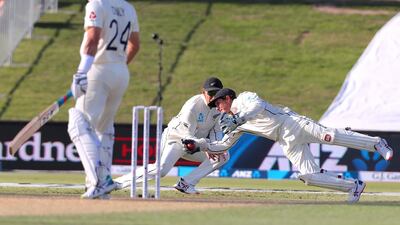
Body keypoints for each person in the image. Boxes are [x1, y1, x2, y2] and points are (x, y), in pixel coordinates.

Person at [183, 88, 394, 203]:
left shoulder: (245, 98)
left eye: (219, 103)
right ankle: (354, 186)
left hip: (292, 123)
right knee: (308, 176)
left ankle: (376, 143)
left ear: (228, 98)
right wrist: (200, 145)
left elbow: (257, 106)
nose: (218, 108)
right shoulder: (232, 123)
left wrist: (239, 118)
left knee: (329, 136)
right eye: (216, 106)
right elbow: (222, 145)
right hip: (285, 140)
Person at [67, 0, 140, 199]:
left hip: (98, 70)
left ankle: (99, 181)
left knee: (78, 124)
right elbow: (135, 45)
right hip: (121, 72)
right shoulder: (128, 8)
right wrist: (117, 66)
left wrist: (82, 72)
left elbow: (92, 39)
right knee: (103, 128)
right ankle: (103, 184)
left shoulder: (97, 4)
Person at [114, 77, 229, 194]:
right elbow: (187, 135)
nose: (213, 97)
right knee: (161, 170)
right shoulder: (193, 106)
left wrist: (213, 147)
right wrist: (206, 146)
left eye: (217, 93)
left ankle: (186, 183)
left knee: (223, 155)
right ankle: (117, 183)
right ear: (203, 92)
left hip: (196, 145)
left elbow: (216, 132)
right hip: (177, 139)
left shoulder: (219, 108)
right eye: (211, 93)